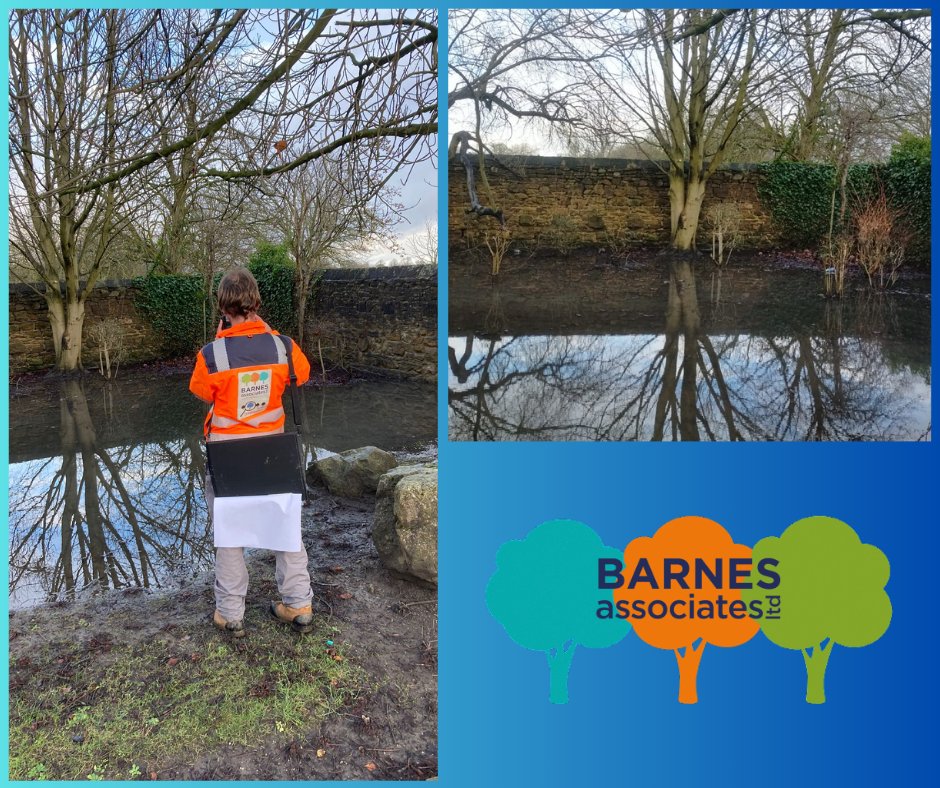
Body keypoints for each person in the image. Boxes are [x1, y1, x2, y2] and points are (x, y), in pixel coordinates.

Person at [189, 266, 314, 637]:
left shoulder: (211, 354)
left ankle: (230, 614)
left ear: (222, 307)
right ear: (256, 301)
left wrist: (223, 341)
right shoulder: (283, 346)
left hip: (228, 458)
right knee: (286, 526)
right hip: (274, 452)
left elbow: (201, 391)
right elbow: (301, 375)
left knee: (230, 533)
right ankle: (298, 604)